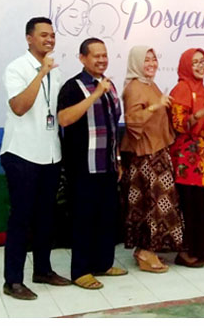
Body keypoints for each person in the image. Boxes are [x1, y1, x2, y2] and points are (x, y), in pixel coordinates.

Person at [0, 17, 71, 300]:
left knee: (46, 217)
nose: (49, 39)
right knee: (21, 218)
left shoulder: (57, 71)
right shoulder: (16, 68)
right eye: (43, 35)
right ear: (29, 38)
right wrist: (40, 74)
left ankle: (42, 270)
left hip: (50, 154)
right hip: (21, 153)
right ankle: (12, 280)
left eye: (52, 35)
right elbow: (19, 107)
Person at [57, 37, 127, 290]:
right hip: (83, 166)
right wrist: (96, 94)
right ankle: (80, 271)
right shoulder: (73, 86)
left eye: (104, 55)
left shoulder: (110, 85)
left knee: (106, 217)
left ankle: (103, 264)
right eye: (96, 55)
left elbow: (113, 126)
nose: (102, 60)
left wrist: (117, 159)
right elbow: (64, 119)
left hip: (107, 164)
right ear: (82, 58)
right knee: (84, 218)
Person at [120, 45, 185, 273]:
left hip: (157, 151)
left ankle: (148, 250)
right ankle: (145, 252)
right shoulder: (133, 87)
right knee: (151, 204)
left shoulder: (149, 84)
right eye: (146, 59)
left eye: (153, 59)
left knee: (159, 204)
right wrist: (156, 106)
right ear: (136, 62)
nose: (151, 64)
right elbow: (132, 120)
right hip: (145, 156)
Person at [169, 48, 204, 267]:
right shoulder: (182, 88)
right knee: (189, 205)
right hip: (186, 158)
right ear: (187, 65)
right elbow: (179, 124)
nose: (200, 66)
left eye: (203, 61)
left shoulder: (201, 88)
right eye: (195, 62)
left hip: (201, 157)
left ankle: (199, 248)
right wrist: (200, 114)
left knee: (200, 204)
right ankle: (185, 252)